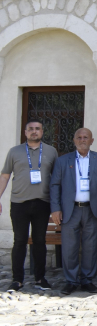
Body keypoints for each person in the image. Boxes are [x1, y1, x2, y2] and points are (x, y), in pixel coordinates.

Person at [50, 128, 97, 295]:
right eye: (79, 137)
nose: (82, 140)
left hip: (92, 209)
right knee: (69, 247)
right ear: (74, 140)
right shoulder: (63, 161)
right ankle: (71, 281)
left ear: (92, 141)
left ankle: (87, 280)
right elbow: (54, 185)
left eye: (86, 137)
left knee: (90, 246)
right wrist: (55, 209)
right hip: (70, 210)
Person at [0, 120, 58, 292]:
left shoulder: (51, 151)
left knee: (39, 241)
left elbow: (56, 178)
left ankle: (40, 278)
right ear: (25, 133)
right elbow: (5, 175)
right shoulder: (14, 151)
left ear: (42, 132)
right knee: (19, 241)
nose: (34, 132)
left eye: (37, 129)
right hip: (19, 203)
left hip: (42, 202)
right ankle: (17, 280)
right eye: (31, 129)